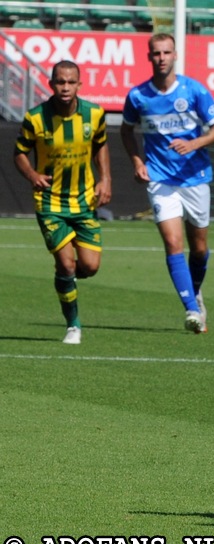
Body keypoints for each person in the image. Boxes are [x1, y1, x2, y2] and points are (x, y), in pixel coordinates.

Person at [120, 33, 214, 333]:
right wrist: (138, 162)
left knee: (200, 248)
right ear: (149, 57)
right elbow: (126, 132)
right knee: (172, 242)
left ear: (175, 55)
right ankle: (192, 309)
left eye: (167, 52)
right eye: (156, 53)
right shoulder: (138, 96)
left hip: (195, 178)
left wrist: (195, 144)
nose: (162, 57)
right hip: (160, 179)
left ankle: (195, 292)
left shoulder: (194, 91)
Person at [14, 60, 112, 345]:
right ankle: (73, 325)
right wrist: (32, 174)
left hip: (84, 201)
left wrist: (106, 179)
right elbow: (19, 152)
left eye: (71, 82)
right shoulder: (35, 118)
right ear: (51, 84)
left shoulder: (95, 114)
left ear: (79, 84)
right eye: (60, 82)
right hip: (50, 203)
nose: (65, 87)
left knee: (90, 267)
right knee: (67, 265)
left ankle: (65, 280)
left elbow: (101, 144)